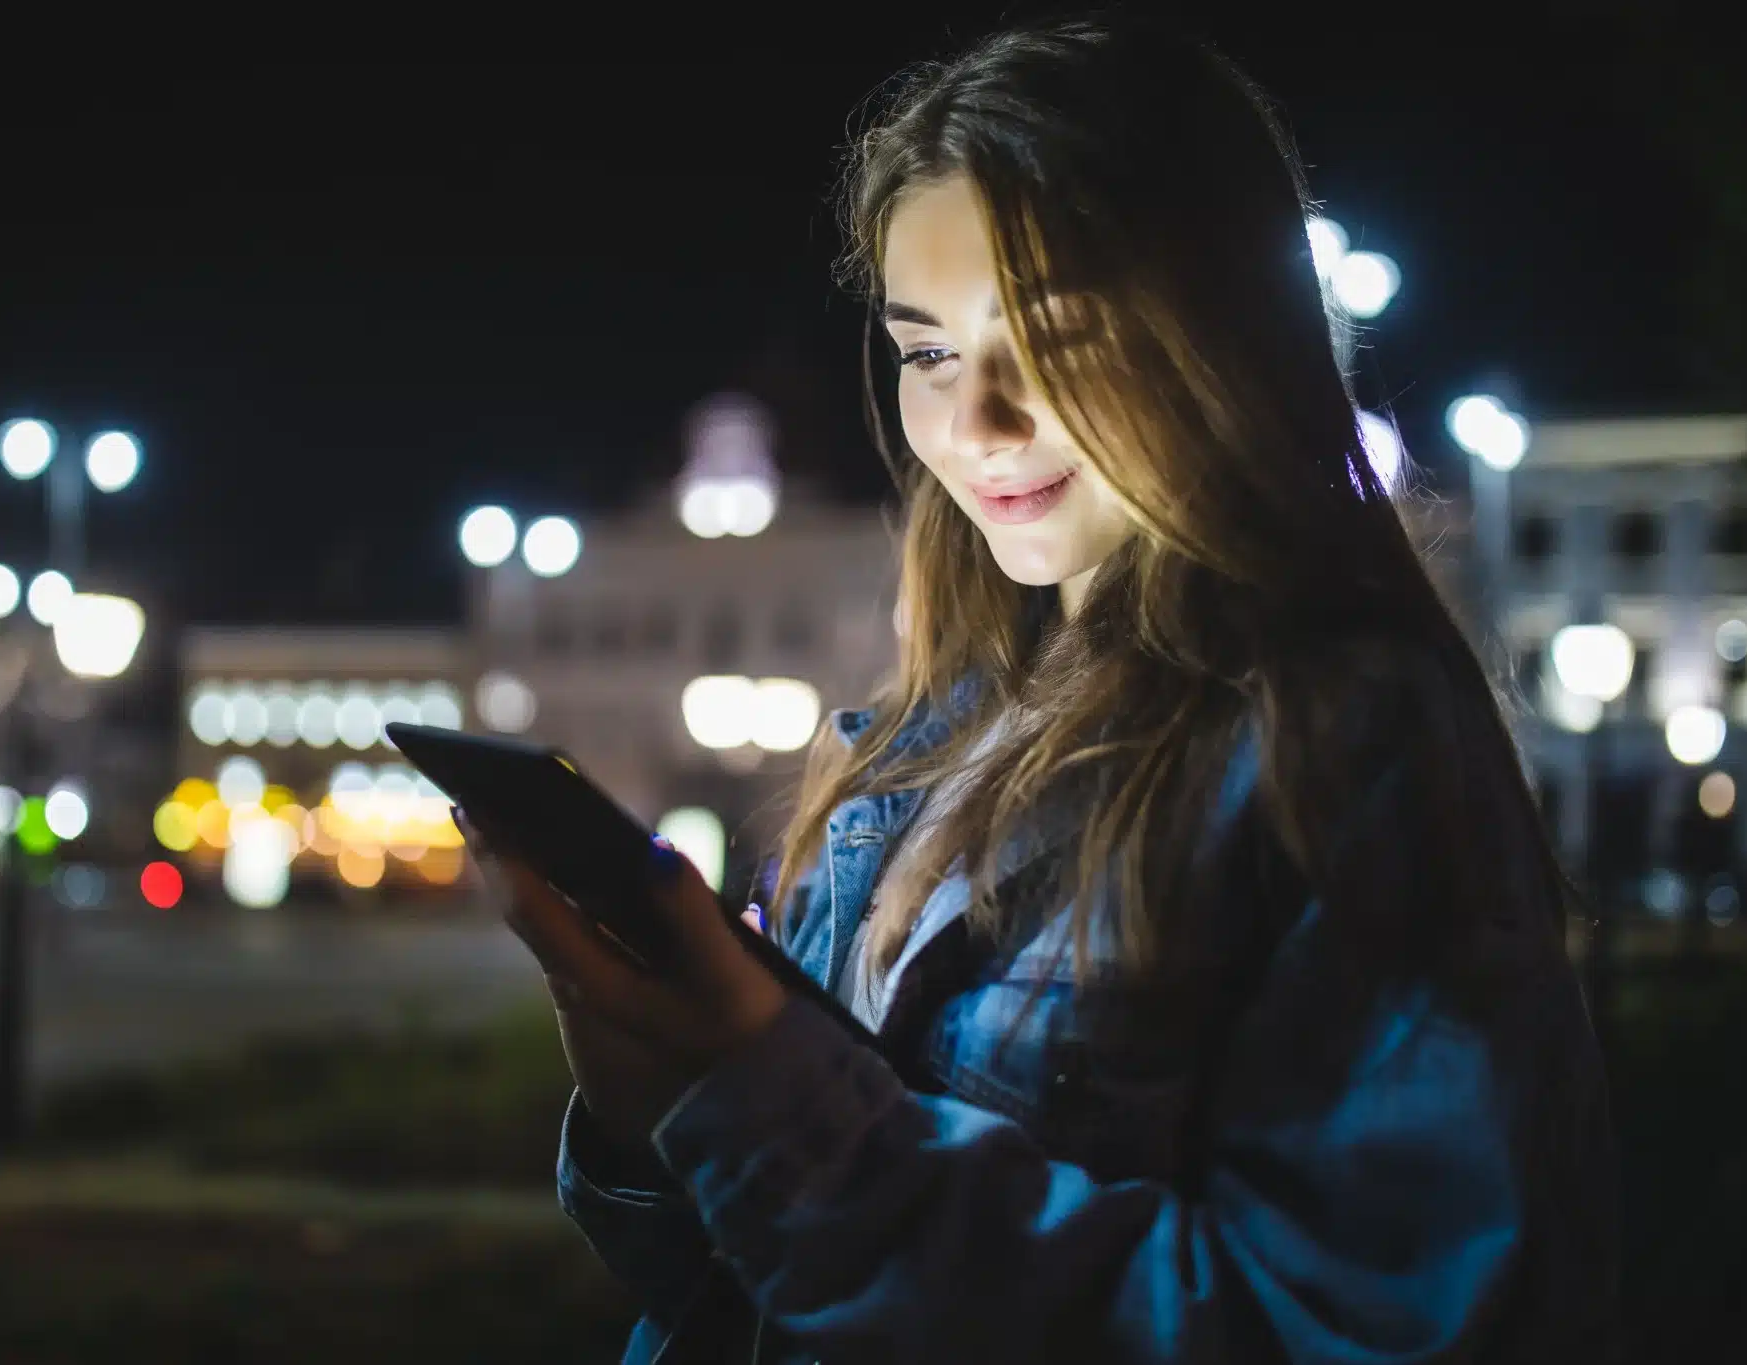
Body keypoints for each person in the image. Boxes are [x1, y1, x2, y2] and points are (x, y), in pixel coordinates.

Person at [473, 16, 1620, 1363]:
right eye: (929, 354)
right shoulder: (923, 738)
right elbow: (753, 1292)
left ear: (1219, 335)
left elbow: (1360, 1329)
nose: (979, 424)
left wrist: (771, 1104)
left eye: (1058, 341)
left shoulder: (1338, 741)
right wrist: (660, 1103)